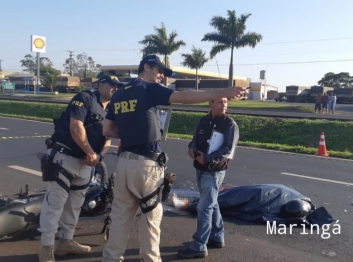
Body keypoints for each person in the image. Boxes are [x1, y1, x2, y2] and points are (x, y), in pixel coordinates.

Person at [101, 54, 247, 262]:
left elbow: (107, 129)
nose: (162, 75)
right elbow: (183, 96)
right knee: (151, 218)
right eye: (159, 70)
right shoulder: (148, 89)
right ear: (146, 67)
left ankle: (110, 258)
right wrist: (224, 92)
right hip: (146, 165)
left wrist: (132, 132)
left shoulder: (120, 93)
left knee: (120, 218)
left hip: (124, 163)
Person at [38, 75, 122, 262]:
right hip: (64, 158)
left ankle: (65, 242)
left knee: (75, 206)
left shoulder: (111, 109)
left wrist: (98, 156)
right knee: (54, 205)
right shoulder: (84, 98)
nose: (115, 89)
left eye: (118, 86)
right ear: (101, 84)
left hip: (86, 163)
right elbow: (76, 128)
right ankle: (46, 248)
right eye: (111, 85)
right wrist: (90, 151)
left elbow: (108, 137)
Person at [177, 97, 239, 259]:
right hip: (200, 168)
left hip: (214, 170)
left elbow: (227, 150)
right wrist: (192, 148)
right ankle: (217, 237)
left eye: (225, 102)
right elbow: (194, 140)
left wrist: (208, 158)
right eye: (220, 102)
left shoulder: (230, 124)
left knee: (204, 207)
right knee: (212, 203)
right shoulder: (203, 121)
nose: (224, 105)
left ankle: (199, 245)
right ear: (210, 103)